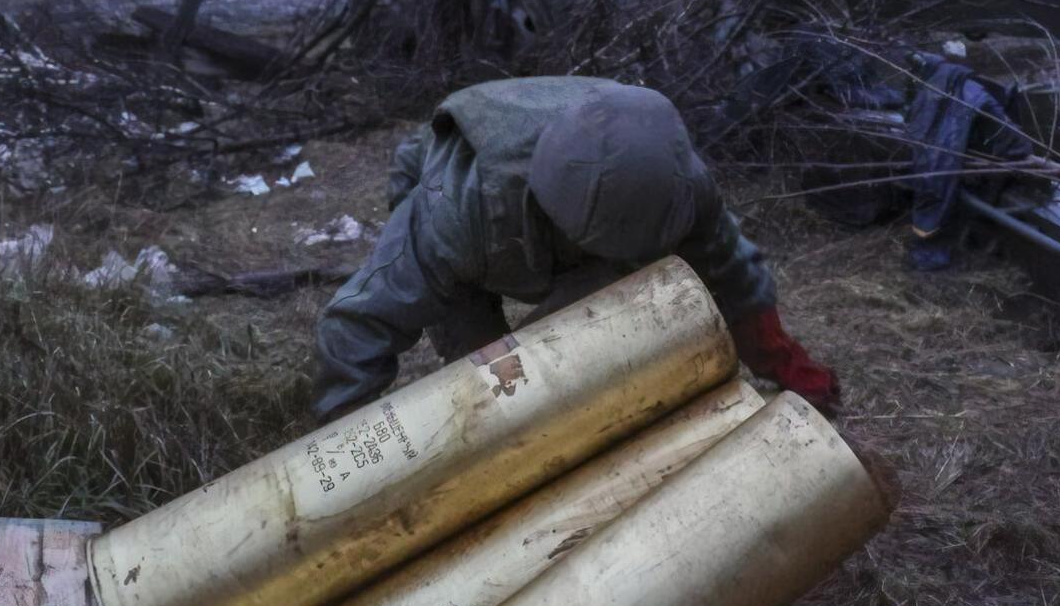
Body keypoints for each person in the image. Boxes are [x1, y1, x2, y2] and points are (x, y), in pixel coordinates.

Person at [312, 76, 840, 422]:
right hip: (471, 208)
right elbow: (357, 325)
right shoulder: (455, 213)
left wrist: (788, 364)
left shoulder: (671, 180)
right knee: (495, 382)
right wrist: (345, 460)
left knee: (558, 374)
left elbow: (731, 273)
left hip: (567, 232)